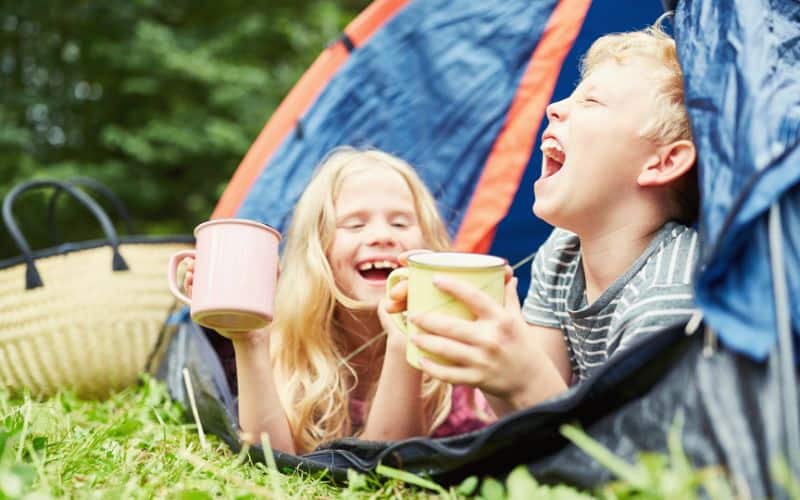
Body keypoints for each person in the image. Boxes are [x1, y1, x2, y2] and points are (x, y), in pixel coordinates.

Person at [386, 23, 700, 417]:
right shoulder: (563, 251)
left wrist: (524, 374)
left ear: (663, 162)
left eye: (591, 102)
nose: (555, 107)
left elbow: (625, 466)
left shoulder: (668, 295)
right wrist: (500, 347)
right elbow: (524, 423)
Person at [180, 147, 493, 454]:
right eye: (355, 224)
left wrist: (403, 341)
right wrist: (251, 341)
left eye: (400, 223)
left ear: (427, 245)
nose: (382, 236)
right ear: (320, 252)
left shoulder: (451, 354)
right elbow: (272, 464)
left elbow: (386, 468)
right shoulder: (292, 347)